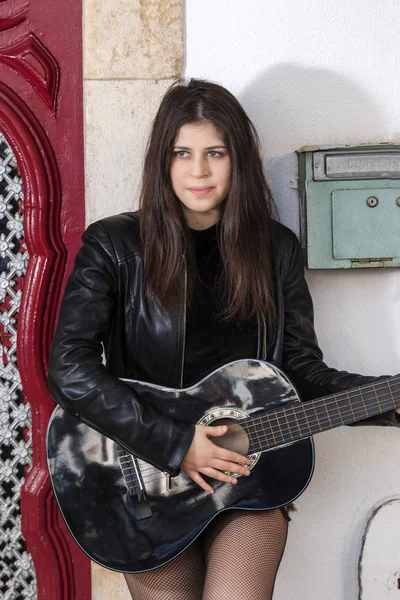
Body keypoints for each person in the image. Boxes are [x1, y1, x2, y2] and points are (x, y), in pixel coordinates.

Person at [47, 78, 399, 600]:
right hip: (141, 484)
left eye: (216, 152)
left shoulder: (276, 250)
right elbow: (69, 368)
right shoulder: (114, 245)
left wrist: (388, 401)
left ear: (239, 159)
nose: (200, 171)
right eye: (182, 153)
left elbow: (301, 372)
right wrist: (177, 444)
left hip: (250, 483)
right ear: (162, 161)